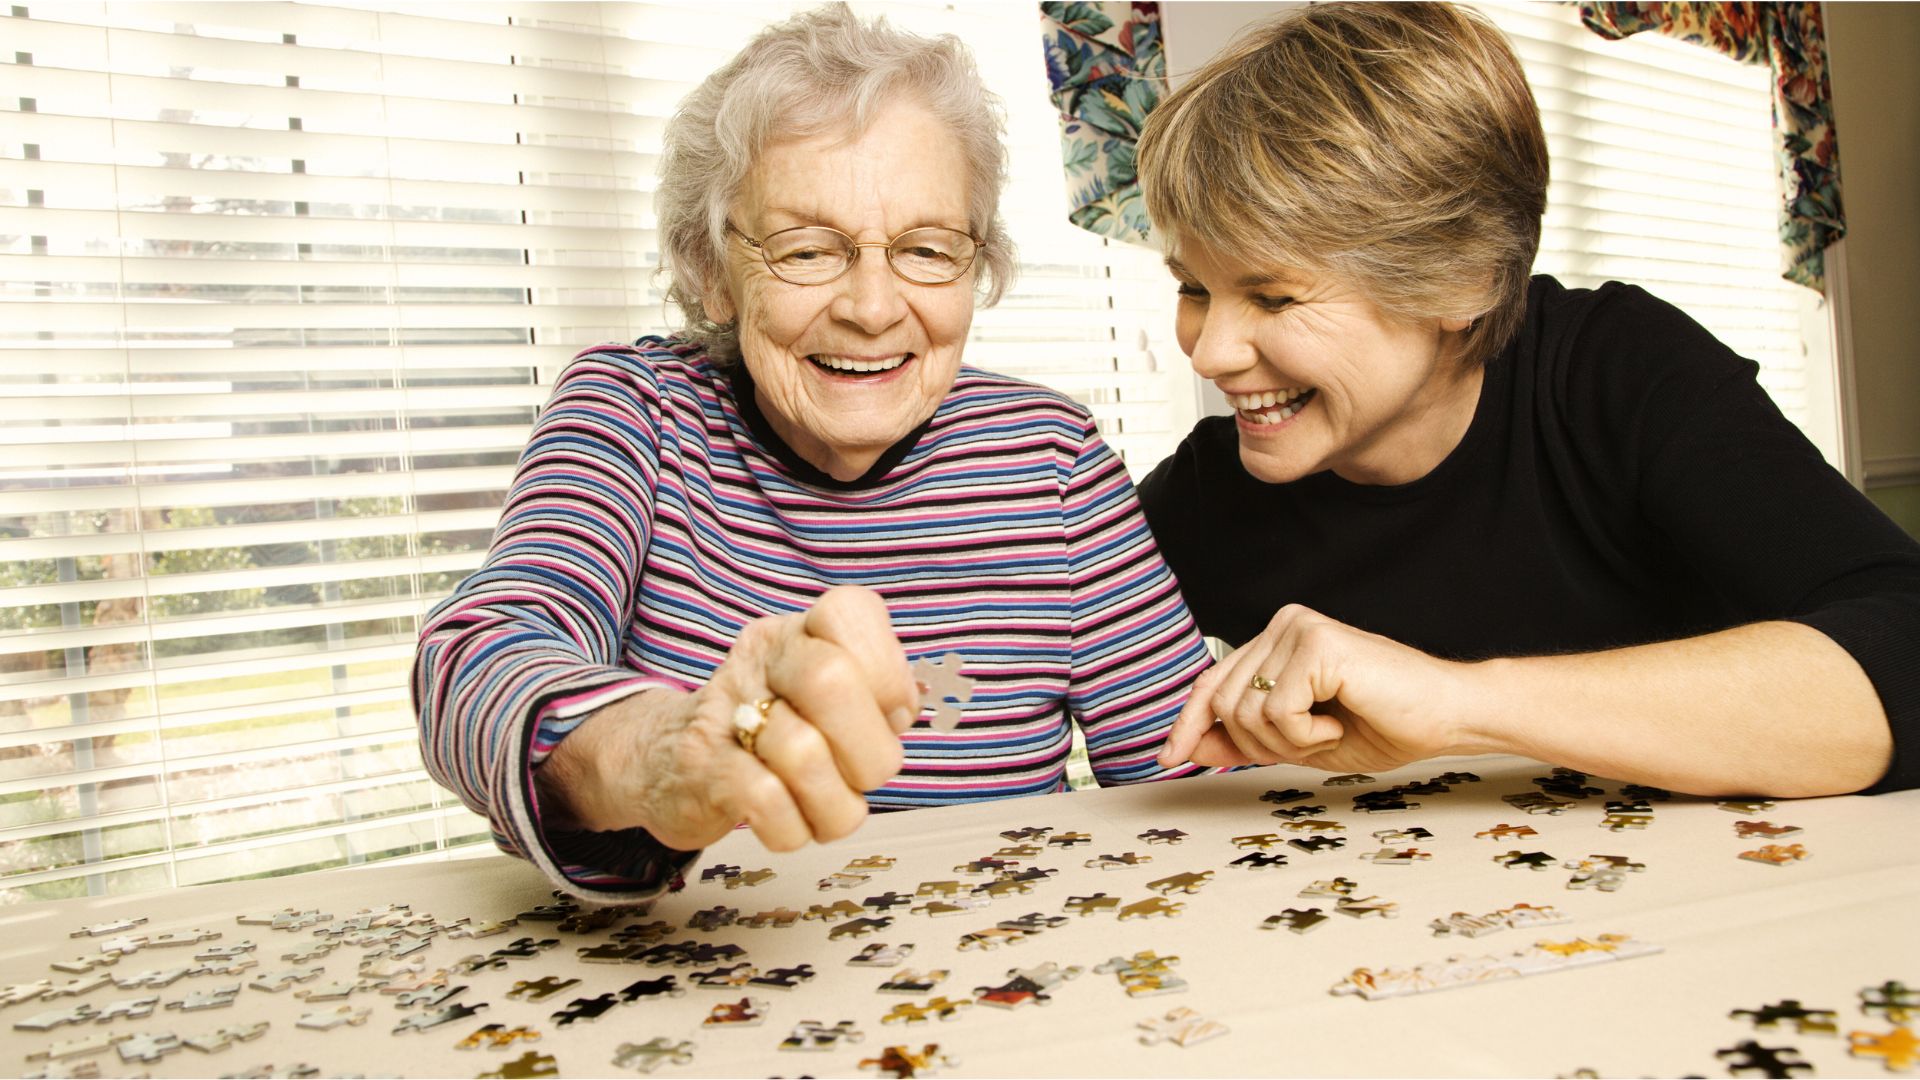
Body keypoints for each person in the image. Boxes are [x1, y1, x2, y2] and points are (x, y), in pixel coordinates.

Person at [412, 6, 1214, 900]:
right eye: (806, 249)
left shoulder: (1052, 459)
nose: (872, 308)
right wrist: (658, 751)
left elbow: (1190, 777)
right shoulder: (632, 411)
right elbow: (476, 659)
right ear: (711, 270)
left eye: (925, 249)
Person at [1132, 1, 1920, 797]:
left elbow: (1906, 645)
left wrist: (1457, 703)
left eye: (1273, 298)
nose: (1209, 350)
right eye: (1194, 288)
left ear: (1462, 279)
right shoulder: (1208, 492)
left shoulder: (1619, 372)